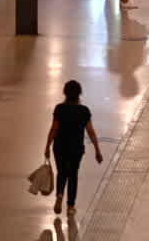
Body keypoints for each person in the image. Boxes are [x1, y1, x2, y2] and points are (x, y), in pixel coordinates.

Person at [44, 80, 102, 217]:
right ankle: (70, 206)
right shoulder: (84, 111)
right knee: (73, 174)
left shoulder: (59, 109)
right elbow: (91, 132)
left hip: (59, 147)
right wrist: (97, 150)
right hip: (76, 149)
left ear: (65, 93)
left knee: (61, 172)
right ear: (79, 94)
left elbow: (54, 129)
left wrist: (47, 146)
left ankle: (59, 194)